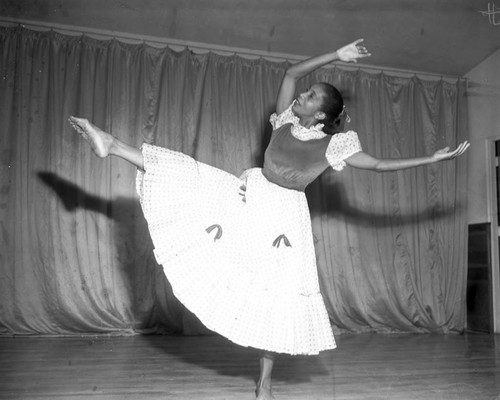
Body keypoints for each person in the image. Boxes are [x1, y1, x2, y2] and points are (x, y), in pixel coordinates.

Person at [68, 39, 469, 400]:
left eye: (310, 97)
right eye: (306, 93)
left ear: (319, 116)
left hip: (285, 217)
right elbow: (292, 73)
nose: (302, 96)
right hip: (251, 195)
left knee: (277, 300)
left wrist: (429, 159)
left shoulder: (334, 146)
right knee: (191, 176)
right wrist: (336, 54)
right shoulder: (283, 121)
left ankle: (264, 384)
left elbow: (379, 165)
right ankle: (113, 144)